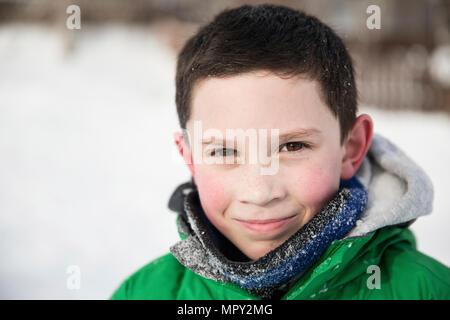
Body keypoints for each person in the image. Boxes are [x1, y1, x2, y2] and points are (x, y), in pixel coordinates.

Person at [110, 4, 450, 300]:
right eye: (225, 151)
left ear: (351, 148)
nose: (259, 193)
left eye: (293, 146)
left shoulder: (427, 291)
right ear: (190, 158)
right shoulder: (142, 294)